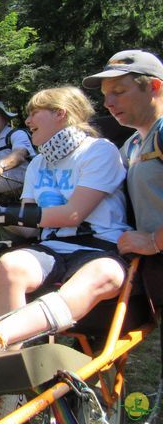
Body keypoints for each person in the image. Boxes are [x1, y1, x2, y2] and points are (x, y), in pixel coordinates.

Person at [0, 87, 132, 423]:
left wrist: (1, 213)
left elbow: (74, 214)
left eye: (35, 112)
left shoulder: (99, 151)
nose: (28, 120)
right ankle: (7, 395)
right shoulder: (38, 165)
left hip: (99, 247)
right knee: (11, 263)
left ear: (60, 113)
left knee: (103, 273)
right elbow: (30, 230)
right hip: (52, 247)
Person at [82, 49, 163, 307]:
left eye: (118, 91)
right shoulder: (133, 144)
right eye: (105, 95)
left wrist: (154, 241)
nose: (107, 103)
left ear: (154, 86)